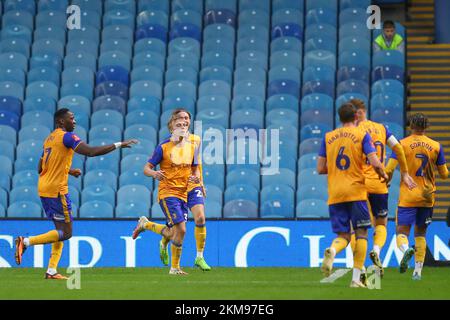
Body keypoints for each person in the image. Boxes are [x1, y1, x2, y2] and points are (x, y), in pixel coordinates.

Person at [14, 108, 137, 279]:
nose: (75, 121)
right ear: (61, 122)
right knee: (67, 233)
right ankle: (25, 242)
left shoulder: (49, 139)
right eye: (71, 118)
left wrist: (68, 171)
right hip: (57, 190)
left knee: (59, 230)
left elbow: (41, 167)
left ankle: (51, 270)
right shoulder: (68, 137)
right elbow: (91, 152)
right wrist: (118, 144)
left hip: (44, 188)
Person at [317, 103, 388, 288]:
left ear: (340, 118)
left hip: (335, 193)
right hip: (356, 191)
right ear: (356, 117)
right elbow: (374, 161)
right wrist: (383, 173)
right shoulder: (362, 135)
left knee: (343, 235)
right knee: (362, 233)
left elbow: (320, 168)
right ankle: (356, 279)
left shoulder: (328, 137)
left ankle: (333, 250)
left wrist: (336, 170)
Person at [132, 109, 201, 275]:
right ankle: (175, 268)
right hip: (167, 192)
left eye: (185, 124)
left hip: (183, 193)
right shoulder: (163, 147)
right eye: (179, 124)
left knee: (173, 232)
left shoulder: (193, 146)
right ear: (172, 127)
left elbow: (195, 169)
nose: (182, 126)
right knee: (182, 230)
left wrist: (196, 178)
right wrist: (155, 173)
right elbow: (146, 168)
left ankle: (146, 224)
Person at [352, 99, 417, 276]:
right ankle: (377, 251)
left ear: (354, 114)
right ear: (364, 111)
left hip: (359, 184)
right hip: (380, 184)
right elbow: (399, 148)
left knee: (356, 227)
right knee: (381, 223)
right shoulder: (381, 128)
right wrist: (403, 172)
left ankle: (360, 268)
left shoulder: (353, 132)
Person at [385, 113, 448, 280]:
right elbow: (444, 175)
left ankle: (406, 251)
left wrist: (386, 181)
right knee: (420, 234)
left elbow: (389, 169)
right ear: (426, 127)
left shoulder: (402, 145)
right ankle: (417, 272)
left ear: (410, 126)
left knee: (401, 232)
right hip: (427, 197)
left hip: (408, 196)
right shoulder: (435, 146)